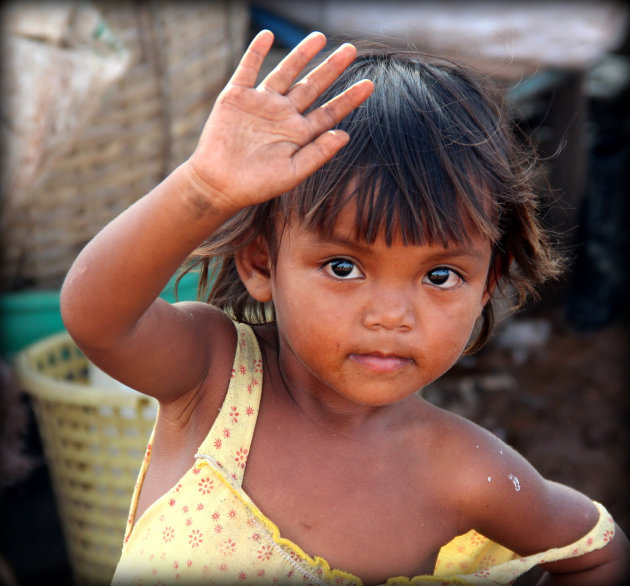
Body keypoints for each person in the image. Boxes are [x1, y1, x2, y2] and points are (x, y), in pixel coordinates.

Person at [60, 30, 629, 585]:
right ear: (261, 264)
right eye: (343, 267)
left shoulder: (465, 474)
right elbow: (98, 317)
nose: (390, 315)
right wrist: (203, 189)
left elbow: (598, 553)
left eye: (439, 275)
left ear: (486, 285)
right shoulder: (213, 378)